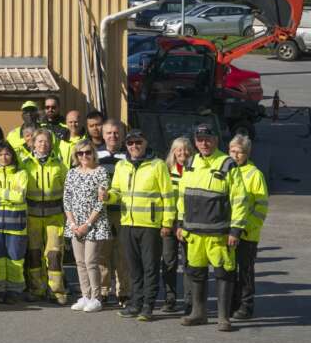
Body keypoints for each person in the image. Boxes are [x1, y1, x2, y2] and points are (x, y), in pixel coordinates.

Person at [177, 124, 249, 332]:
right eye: (199, 139)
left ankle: (223, 317)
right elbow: (183, 196)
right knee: (196, 272)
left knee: (224, 273)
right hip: (194, 232)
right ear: (195, 141)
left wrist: (235, 230)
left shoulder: (227, 164)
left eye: (207, 139)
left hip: (219, 233)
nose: (204, 143)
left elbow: (239, 199)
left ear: (216, 140)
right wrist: (180, 224)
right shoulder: (190, 162)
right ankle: (199, 313)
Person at [105, 129, 174, 321]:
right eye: (130, 143)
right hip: (128, 224)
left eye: (138, 142)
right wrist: (108, 196)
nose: (134, 146)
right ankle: (135, 304)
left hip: (151, 226)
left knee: (150, 267)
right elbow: (116, 191)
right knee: (133, 268)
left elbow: (168, 196)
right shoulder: (121, 165)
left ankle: (147, 307)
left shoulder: (157, 165)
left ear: (145, 143)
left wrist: (167, 223)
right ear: (126, 146)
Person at [63, 139, 111, 313]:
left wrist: (87, 224)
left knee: (91, 261)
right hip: (75, 224)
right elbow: (66, 200)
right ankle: (85, 295)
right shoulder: (72, 173)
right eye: (80, 153)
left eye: (87, 152)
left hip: (94, 224)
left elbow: (101, 202)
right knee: (80, 262)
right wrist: (73, 223)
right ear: (76, 155)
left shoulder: (101, 172)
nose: (84, 156)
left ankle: (96, 298)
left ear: (93, 153)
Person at [22, 128, 69, 304]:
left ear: (51, 144)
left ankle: (57, 291)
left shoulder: (59, 164)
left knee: (54, 255)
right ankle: (37, 289)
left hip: (54, 216)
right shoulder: (25, 164)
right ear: (33, 143)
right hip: (32, 216)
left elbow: (67, 190)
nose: (43, 144)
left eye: (46, 141)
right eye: (40, 141)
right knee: (34, 254)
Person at [228, 134, 268, 321]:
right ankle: (231, 304)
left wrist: (245, 227)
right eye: (232, 151)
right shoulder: (227, 171)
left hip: (247, 234)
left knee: (244, 271)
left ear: (247, 153)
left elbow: (261, 207)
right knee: (229, 270)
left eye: (240, 152)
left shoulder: (255, 174)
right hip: (228, 232)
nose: (235, 155)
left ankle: (246, 306)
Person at [0, 141, 28, 303]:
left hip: (16, 225)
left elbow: (20, 196)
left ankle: (15, 291)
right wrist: (9, 196)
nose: (4, 157)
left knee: (15, 259)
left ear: (12, 155)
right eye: (0, 154)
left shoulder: (21, 173)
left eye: (7, 154)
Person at [97, 119, 130, 306]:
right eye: (109, 133)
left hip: (123, 211)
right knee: (102, 252)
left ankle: (124, 291)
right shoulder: (94, 154)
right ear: (103, 135)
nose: (113, 136)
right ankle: (103, 291)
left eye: (116, 133)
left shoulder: (129, 155)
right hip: (101, 212)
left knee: (122, 253)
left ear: (122, 135)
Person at [163, 136, 194, 313]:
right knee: (168, 261)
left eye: (186, 149)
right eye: (179, 149)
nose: (183, 153)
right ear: (173, 152)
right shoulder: (166, 170)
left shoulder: (195, 169)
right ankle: (170, 298)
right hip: (170, 221)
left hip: (189, 223)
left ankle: (189, 301)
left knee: (189, 263)